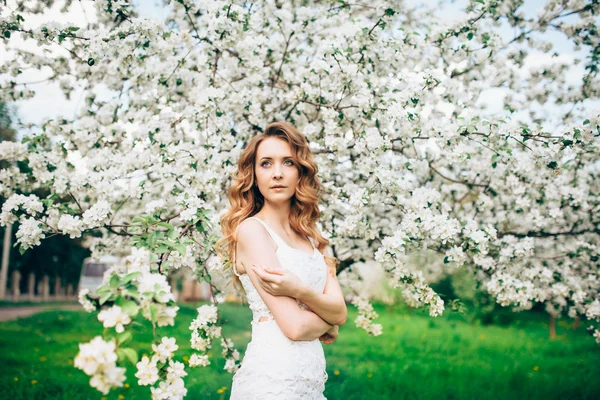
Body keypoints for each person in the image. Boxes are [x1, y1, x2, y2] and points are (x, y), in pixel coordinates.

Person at [217, 121, 347, 399]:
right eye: (266, 163)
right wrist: (330, 322)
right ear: (253, 174)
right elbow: (296, 327)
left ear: (301, 171)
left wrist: (299, 290)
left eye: (287, 162)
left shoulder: (312, 237)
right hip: (272, 383)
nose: (277, 173)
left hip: (310, 386)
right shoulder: (253, 231)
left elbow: (341, 312)